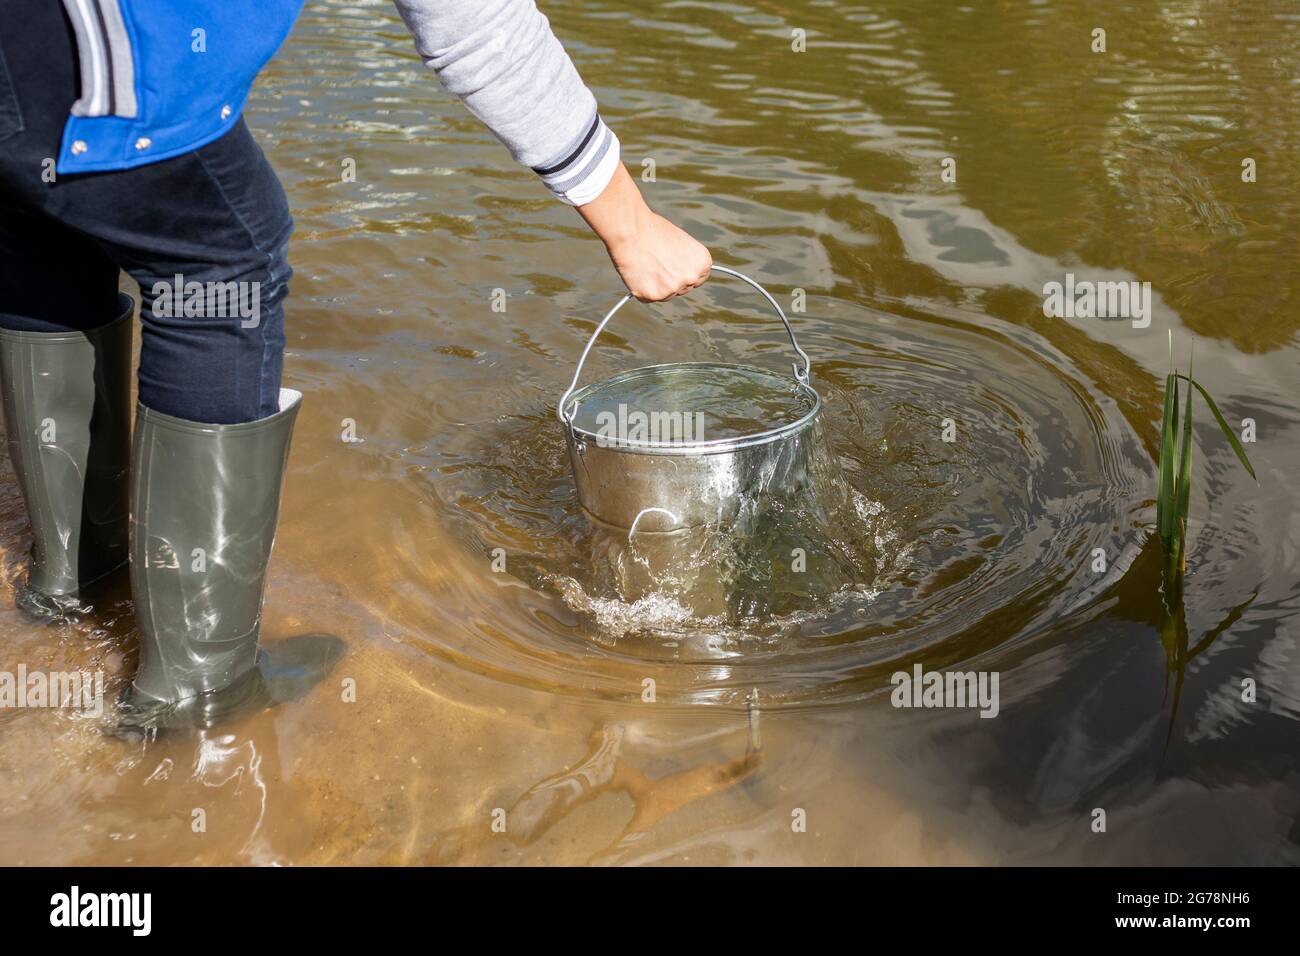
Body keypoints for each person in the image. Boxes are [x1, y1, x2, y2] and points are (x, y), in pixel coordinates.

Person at [0, 0, 712, 728]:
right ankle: (198, 688)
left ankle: (76, 583)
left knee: (44, 217)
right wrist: (630, 222)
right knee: (223, 261)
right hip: (92, 60)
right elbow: (478, 26)